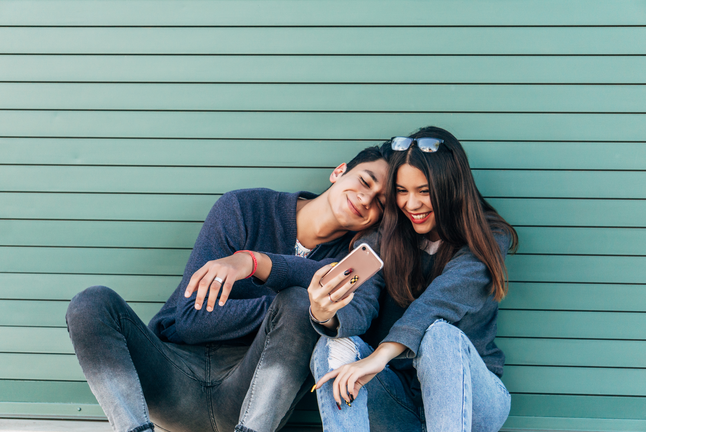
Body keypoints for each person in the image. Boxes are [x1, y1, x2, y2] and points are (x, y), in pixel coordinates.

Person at [65, 143, 393, 432]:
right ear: (339, 172)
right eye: (364, 181)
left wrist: (262, 270)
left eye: (381, 202)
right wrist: (281, 314)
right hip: (172, 379)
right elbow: (194, 319)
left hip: (251, 399)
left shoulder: (356, 260)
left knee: (298, 304)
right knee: (91, 303)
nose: (366, 198)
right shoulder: (244, 209)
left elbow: (353, 318)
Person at [307, 126, 519, 432]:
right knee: (333, 345)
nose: (412, 204)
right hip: (399, 402)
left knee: (438, 334)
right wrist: (326, 314)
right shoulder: (384, 236)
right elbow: (361, 303)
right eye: (402, 191)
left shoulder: (487, 237)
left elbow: (439, 302)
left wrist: (379, 356)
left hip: (474, 403)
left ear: (450, 187)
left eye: (424, 191)